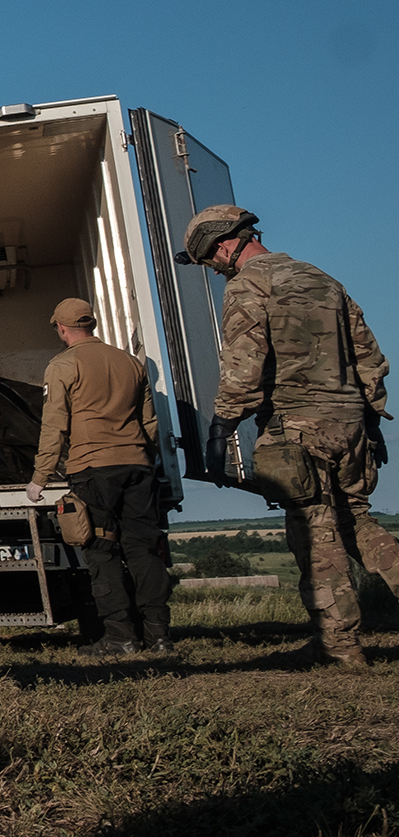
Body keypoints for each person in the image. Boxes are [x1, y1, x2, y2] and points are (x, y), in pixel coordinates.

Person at [180, 204, 396, 666]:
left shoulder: (250, 284)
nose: (212, 270)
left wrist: (222, 426)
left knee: (316, 533)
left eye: (207, 260)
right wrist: (371, 418)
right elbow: (368, 355)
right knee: (356, 520)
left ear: (222, 244)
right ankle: (336, 640)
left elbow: (243, 365)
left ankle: (339, 648)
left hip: (296, 426)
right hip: (351, 423)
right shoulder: (322, 278)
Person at [22, 299, 172, 657]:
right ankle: (160, 636)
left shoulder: (62, 365)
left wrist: (40, 476)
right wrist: (145, 460)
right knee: (143, 550)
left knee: (101, 550)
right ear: (91, 324)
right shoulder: (130, 363)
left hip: (93, 470)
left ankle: (120, 637)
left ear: (60, 328)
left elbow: (54, 425)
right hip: (137, 466)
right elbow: (149, 422)